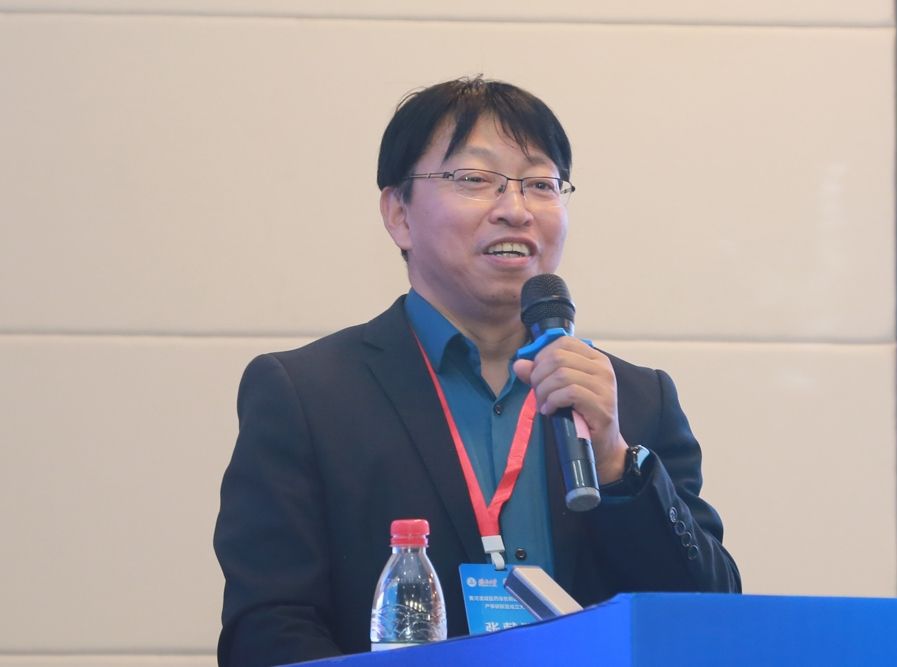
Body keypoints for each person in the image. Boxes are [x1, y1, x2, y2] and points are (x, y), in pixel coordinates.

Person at [214, 76, 741, 667]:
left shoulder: (636, 399)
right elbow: (268, 629)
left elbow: (710, 618)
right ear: (398, 214)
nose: (515, 209)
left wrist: (617, 464)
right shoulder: (308, 396)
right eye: (474, 179)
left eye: (540, 184)